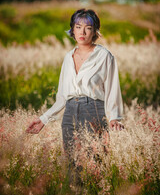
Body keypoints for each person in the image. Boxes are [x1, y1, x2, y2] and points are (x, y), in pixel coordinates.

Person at [26, 8, 124, 154]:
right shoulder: (68, 57)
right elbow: (62, 97)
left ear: (95, 31)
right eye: (78, 27)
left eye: (88, 28)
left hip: (94, 110)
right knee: (73, 163)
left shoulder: (104, 56)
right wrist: (43, 119)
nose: (82, 32)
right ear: (73, 29)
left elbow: (112, 88)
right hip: (69, 113)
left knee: (95, 160)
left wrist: (114, 117)